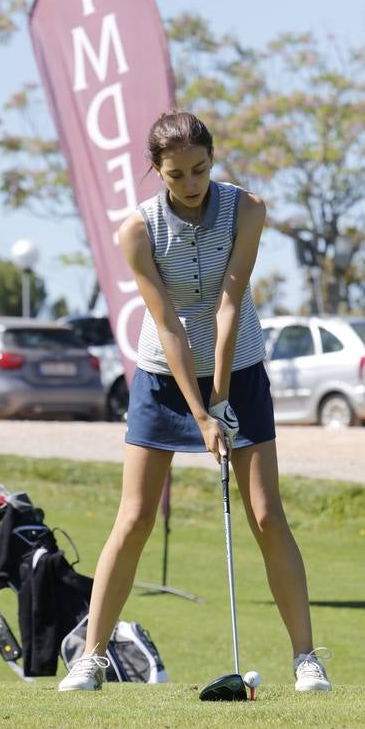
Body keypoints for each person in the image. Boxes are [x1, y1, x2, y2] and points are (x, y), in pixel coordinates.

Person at [58, 110, 331, 693]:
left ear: (213, 158)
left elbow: (230, 301)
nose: (191, 183)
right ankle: (92, 656)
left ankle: (307, 659)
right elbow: (169, 322)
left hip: (241, 369)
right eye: (177, 173)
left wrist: (223, 396)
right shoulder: (138, 231)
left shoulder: (247, 211)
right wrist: (201, 412)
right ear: (156, 171)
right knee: (133, 518)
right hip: (164, 376)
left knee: (266, 514)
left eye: (200, 169)